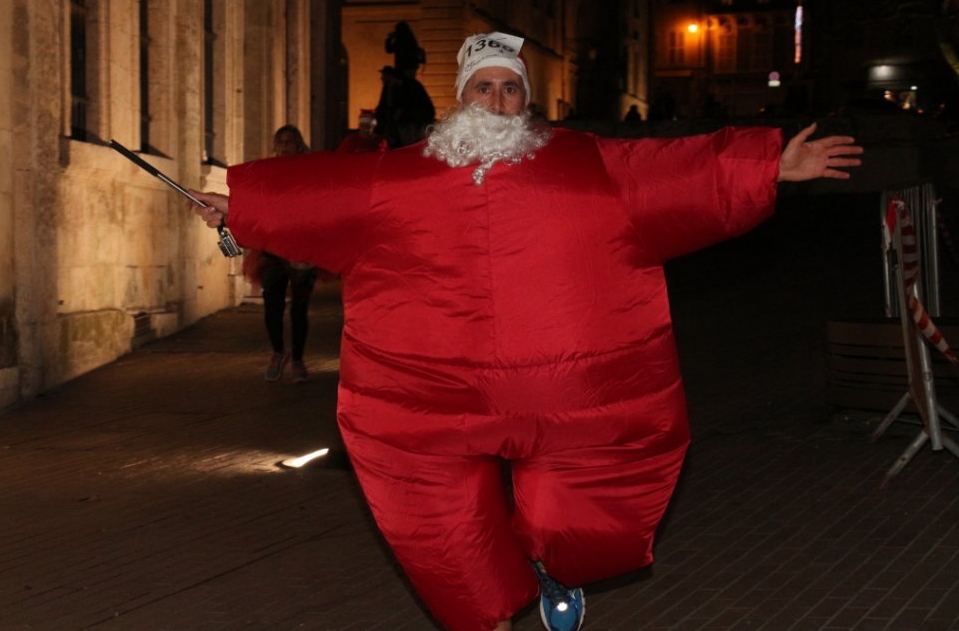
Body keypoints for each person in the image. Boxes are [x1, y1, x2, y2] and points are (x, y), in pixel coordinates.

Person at [189, 32, 862, 631]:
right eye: (485, 87)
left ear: (527, 103)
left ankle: (552, 565)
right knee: (445, 535)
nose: (499, 98)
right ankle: (488, 614)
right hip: (433, 399)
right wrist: (237, 207)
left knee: (579, 514)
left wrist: (769, 167)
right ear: (461, 98)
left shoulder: (586, 164)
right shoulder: (398, 176)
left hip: (566, 394)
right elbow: (318, 196)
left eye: (512, 88)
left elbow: (678, 173)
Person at [243, 124, 316, 383]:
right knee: (272, 305)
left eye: (290, 141)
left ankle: (297, 359)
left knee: (299, 307)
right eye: (281, 141)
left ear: (298, 144)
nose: (285, 146)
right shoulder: (267, 171)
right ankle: (278, 352)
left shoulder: (309, 170)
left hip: (302, 246)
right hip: (272, 247)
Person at [375, 65, 436, 148]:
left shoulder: (411, 87)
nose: (382, 79)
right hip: (401, 127)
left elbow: (412, 106)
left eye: (385, 77)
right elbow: (384, 107)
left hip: (413, 123)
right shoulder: (389, 88)